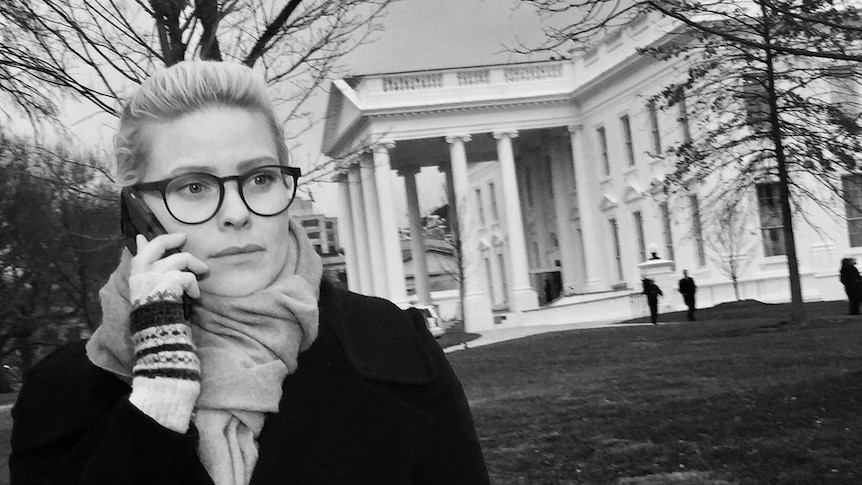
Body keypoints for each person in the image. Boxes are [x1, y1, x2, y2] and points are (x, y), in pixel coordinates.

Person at [10, 61, 490, 485]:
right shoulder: (67, 393)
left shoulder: (395, 349)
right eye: (193, 186)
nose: (236, 213)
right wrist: (158, 398)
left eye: (259, 178)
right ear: (138, 213)